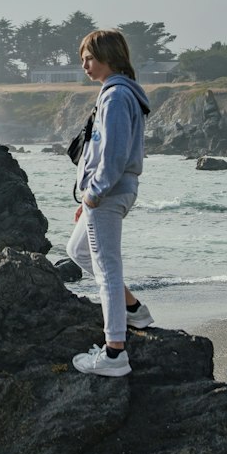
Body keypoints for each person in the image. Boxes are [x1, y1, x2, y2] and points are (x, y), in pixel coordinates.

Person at [67, 28, 152, 377]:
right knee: (79, 251)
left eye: (89, 57)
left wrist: (95, 192)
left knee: (107, 271)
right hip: (106, 193)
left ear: (108, 57)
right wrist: (87, 196)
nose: (84, 64)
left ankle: (115, 354)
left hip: (109, 192)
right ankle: (133, 310)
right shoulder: (115, 94)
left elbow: (113, 155)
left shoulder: (116, 97)